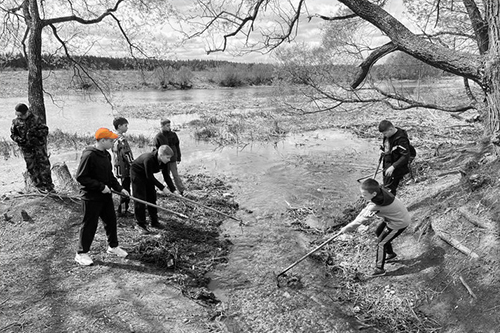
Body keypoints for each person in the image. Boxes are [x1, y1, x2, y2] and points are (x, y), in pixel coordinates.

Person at [74, 128, 130, 266]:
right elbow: (81, 177)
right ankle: (81, 253)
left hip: (105, 195)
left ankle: (113, 246)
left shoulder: (106, 155)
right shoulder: (89, 155)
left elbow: (109, 176)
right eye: (110, 140)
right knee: (89, 225)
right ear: (102, 140)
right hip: (91, 197)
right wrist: (100, 186)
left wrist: (120, 188)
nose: (113, 142)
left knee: (111, 221)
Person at [340, 178, 411, 276]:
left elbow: (359, 221)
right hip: (395, 217)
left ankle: (379, 269)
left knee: (381, 243)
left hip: (399, 223)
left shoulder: (375, 205)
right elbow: (363, 212)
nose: (362, 196)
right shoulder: (381, 192)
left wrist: (345, 229)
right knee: (379, 232)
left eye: (364, 195)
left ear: (373, 194)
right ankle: (390, 254)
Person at [130, 145, 175, 234]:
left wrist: (173, 190)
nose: (169, 160)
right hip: (137, 174)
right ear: (161, 155)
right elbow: (149, 177)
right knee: (140, 200)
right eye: (168, 157)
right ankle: (140, 224)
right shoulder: (149, 159)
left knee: (152, 197)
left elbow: (166, 176)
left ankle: (154, 221)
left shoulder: (164, 162)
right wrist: (163, 188)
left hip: (148, 175)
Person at [10, 103, 54, 192]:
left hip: (38, 147)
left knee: (44, 167)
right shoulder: (15, 122)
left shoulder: (36, 119)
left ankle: (49, 187)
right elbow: (13, 135)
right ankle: (39, 188)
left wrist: (35, 134)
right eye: (17, 115)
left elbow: (45, 130)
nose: (19, 117)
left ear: (26, 112)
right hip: (27, 149)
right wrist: (19, 140)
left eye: (21, 115)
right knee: (32, 168)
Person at [378, 120, 411, 196]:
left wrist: (393, 167)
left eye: (385, 133)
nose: (384, 135)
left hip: (395, 167)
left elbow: (405, 156)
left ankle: (391, 204)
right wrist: (381, 149)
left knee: (389, 188)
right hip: (387, 163)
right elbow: (385, 145)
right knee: (386, 185)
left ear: (391, 129)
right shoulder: (387, 135)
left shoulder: (401, 139)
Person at [153, 119, 186, 195]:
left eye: (169, 125)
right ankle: (167, 189)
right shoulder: (158, 137)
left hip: (173, 158)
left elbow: (177, 146)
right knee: (166, 174)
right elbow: (156, 150)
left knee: (175, 175)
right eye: (167, 126)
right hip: (163, 160)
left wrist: (178, 158)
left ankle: (181, 190)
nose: (169, 127)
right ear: (162, 126)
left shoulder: (173, 134)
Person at [112, 117, 134, 217]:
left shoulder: (112, 137)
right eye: (125, 126)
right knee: (126, 188)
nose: (127, 128)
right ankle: (123, 210)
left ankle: (122, 209)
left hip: (118, 167)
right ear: (119, 126)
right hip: (125, 168)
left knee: (123, 187)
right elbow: (127, 154)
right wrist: (133, 164)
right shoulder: (121, 140)